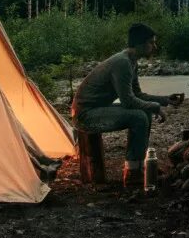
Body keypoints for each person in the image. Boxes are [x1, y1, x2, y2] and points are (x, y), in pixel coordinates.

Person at [71, 23, 182, 187]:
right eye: (151, 43)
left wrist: (165, 100)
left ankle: (138, 166)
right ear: (139, 43)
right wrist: (155, 107)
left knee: (144, 113)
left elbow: (138, 95)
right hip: (85, 115)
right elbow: (128, 101)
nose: (154, 46)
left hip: (96, 109)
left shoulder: (131, 61)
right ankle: (132, 173)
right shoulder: (122, 63)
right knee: (138, 116)